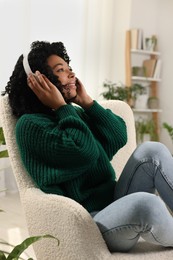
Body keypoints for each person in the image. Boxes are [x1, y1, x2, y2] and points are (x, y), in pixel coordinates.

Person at [2, 40, 173, 253]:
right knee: (148, 204)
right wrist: (63, 107)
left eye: (69, 68)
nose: (71, 74)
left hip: (114, 201)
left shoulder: (74, 115)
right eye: (61, 70)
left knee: (152, 151)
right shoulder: (31, 126)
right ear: (39, 82)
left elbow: (119, 137)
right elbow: (85, 152)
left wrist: (88, 103)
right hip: (91, 223)